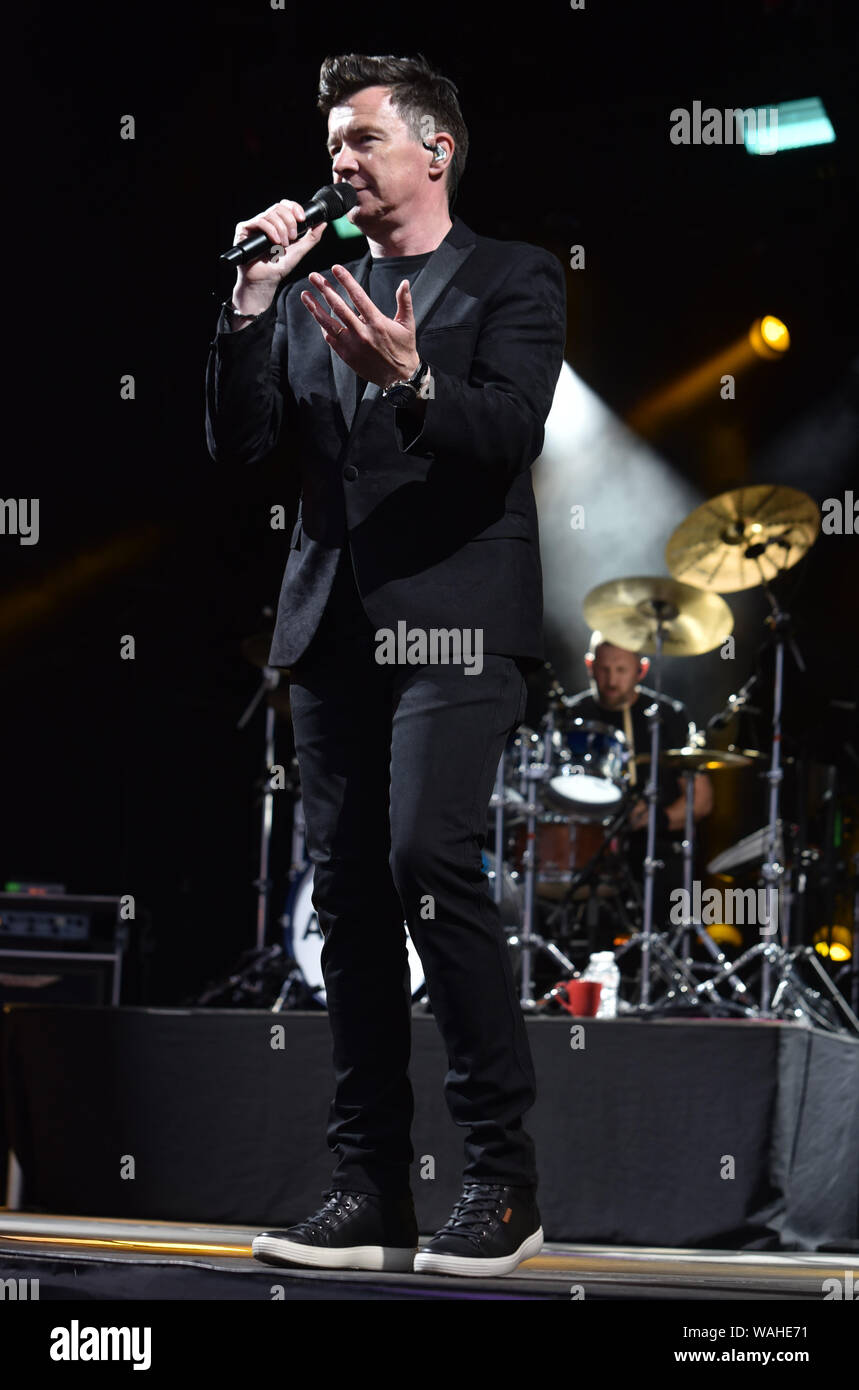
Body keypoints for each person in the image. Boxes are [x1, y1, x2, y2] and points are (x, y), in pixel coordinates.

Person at [205, 53, 566, 1278]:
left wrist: (412, 377)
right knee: (350, 906)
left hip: (458, 624)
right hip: (330, 633)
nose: (338, 161)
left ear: (435, 149)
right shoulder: (317, 283)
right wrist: (255, 298)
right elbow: (240, 443)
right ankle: (369, 1187)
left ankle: (502, 1183)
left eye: (360, 139)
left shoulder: (514, 276)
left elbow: (511, 427)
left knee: (424, 859)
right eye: (333, 143)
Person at [563, 632, 713, 922]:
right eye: (604, 669)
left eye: (621, 670)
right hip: (585, 850)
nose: (611, 680)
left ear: (641, 670)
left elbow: (702, 801)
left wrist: (660, 818)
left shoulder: (666, 716)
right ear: (589, 665)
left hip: (654, 850)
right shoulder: (572, 716)